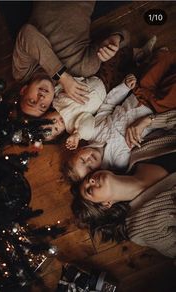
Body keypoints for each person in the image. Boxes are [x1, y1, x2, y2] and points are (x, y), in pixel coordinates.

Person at [64, 49, 176, 180]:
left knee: (160, 60)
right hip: (156, 110)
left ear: (79, 151)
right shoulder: (117, 162)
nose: (89, 161)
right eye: (90, 168)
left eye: (83, 160)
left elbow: (108, 105)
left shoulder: (92, 132)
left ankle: (166, 57)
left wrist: (125, 87)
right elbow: (145, 147)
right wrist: (160, 125)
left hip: (138, 95)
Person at [71, 128, 176, 258]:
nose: (91, 179)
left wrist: (150, 120)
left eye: (89, 178)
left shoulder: (140, 151)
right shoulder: (141, 227)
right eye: (89, 190)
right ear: (105, 204)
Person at [13, 1, 130, 116]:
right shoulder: (82, 68)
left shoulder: (23, 72)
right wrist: (116, 39)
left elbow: (27, 33)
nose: (41, 98)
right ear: (51, 102)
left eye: (32, 101)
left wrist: (62, 76)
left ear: (24, 90)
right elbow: (123, 34)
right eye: (43, 106)